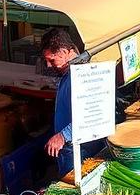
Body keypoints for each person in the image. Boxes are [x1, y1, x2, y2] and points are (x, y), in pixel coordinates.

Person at [40, 28, 105, 178]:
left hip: (79, 150)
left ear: (64, 52)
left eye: (52, 60)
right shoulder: (68, 72)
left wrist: (62, 136)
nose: (49, 65)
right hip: (70, 148)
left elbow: (90, 115)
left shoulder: (83, 75)